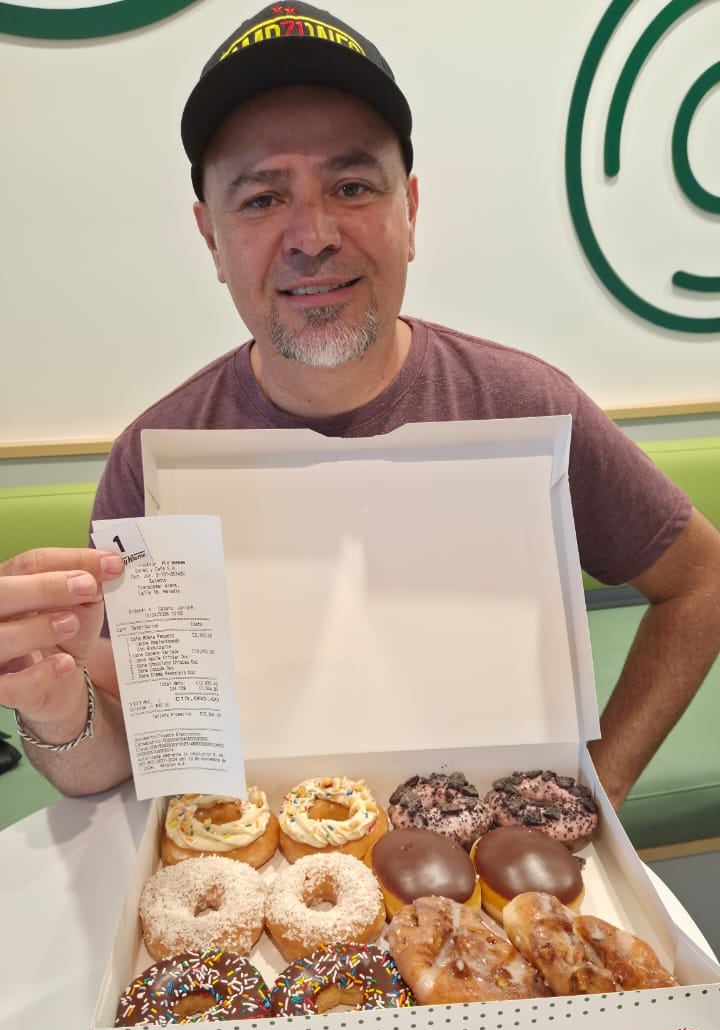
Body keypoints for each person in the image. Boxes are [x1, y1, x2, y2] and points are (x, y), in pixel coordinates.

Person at [1, 3, 719, 811]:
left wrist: (604, 784)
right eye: (261, 199)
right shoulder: (156, 459)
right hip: (255, 866)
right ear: (210, 238)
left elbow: (702, 579)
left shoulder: (522, 409)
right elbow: (112, 759)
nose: (311, 235)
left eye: (351, 186)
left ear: (409, 211)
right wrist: (53, 702)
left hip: (492, 862)